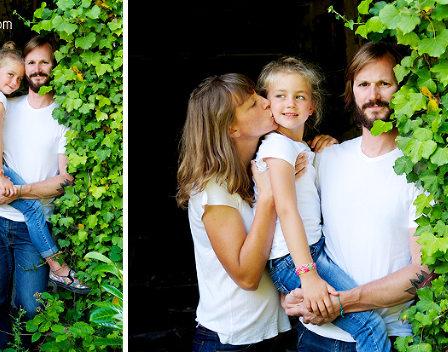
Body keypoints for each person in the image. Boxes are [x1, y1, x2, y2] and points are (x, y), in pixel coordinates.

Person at [282, 41, 433, 351]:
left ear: (402, 90)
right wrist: (291, 291)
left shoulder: (421, 171)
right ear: (351, 91)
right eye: (363, 84)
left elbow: (423, 272)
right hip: (318, 338)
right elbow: (291, 227)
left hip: (390, 337)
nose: (373, 94)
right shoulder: (326, 159)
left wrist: (343, 303)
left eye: (384, 84)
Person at [255, 57, 390, 352]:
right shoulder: (277, 146)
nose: (290, 103)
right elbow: (287, 209)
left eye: (299, 96)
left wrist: (324, 144)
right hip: (296, 260)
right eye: (280, 96)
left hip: (310, 253)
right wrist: (309, 274)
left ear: (311, 107)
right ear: (267, 103)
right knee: (370, 326)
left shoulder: (298, 147)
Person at [0, 35, 79, 349]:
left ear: (53, 67)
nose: (37, 69)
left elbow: (67, 179)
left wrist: (18, 191)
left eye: (44, 62)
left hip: (33, 229)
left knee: (34, 309)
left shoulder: (64, 117)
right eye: (31, 63)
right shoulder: (4, 105)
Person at [176, 73, 292, 351]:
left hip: (269, 335)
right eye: (252, 104)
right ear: (231, 129)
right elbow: (247, 276)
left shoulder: (260, 167)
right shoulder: (213, 191)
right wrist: (267, 200)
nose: (267, 102)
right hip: (231, 343)